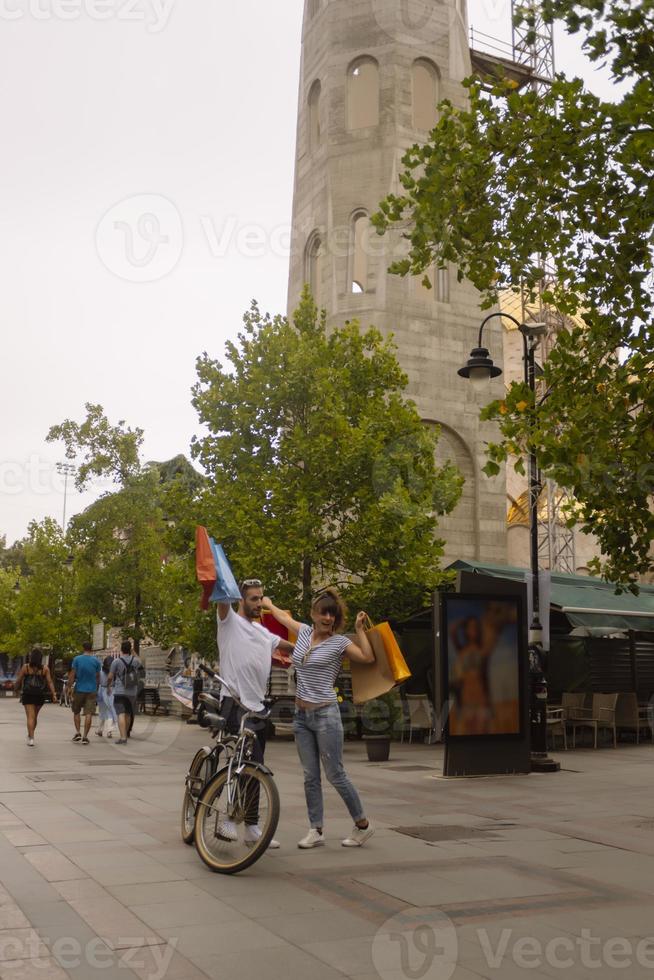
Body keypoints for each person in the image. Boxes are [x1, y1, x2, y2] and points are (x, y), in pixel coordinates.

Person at [263, 589, 376, 849]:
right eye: (323, 612)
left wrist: (359, 630)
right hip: (301, 717)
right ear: (314, 614)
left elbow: (368, 658)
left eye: (332, 614)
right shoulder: (303, 632)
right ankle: (316, 829)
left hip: (326, 715)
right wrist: (268, 603)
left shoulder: (339, 644)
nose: (327, 618)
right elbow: (282, 618)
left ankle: (363, 825)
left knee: (335, 773)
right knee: (310, 776)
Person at [216, 578, 294, 849]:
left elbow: (286, 646)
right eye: (253, 598)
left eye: (261, 598)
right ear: (241, 600)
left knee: (255, 767)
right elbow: (221, 597)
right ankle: (231, 818)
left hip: (258, 708)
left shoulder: (263, 632)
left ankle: (250, 826)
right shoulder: (229, 623)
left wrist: (315, 647)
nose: (259, 603)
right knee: (247, 761)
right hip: (234, 703)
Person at [14, 648, 57, 746]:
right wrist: (54, 694)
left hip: (28, 694)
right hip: (39, 695)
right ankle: (30, 735)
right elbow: (50, 682)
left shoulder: (26, 667)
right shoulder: (45, 668)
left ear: (31, 657)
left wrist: (15, 688)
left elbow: (19, 679)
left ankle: (31, 738)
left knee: (30, 717)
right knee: (34, 717)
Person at [107, 640, 141, 745]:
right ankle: (126, 733)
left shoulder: (116, 661)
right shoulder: (136, 661)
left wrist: (108, 685)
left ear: (121, 649)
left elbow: (110, 677)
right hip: (132, 692)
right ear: (130, 649)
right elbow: (141, 668)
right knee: (128, 714)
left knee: (120, 714)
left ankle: (123, 737)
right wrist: (133, 652)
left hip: (120, 691)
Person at [69, 641, 101, 745]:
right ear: (91, 648)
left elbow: (72, 674)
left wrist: (69, 687)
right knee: (88, 713)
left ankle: (78, 732)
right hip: (91, 690)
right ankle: (85, 737)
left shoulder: (77, 659)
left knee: (76, 711)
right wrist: (96, 688)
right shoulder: (96, 661)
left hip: (79, 689)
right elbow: (97, 677)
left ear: (83, 648)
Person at [96, 655, 118, 738]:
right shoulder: (114, 671)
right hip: (111, 691)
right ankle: (109, 731)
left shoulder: (100, 671)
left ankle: (100, 730)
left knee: (102, 711)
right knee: (111, 712)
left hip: (101, 690)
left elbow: (97, 681)